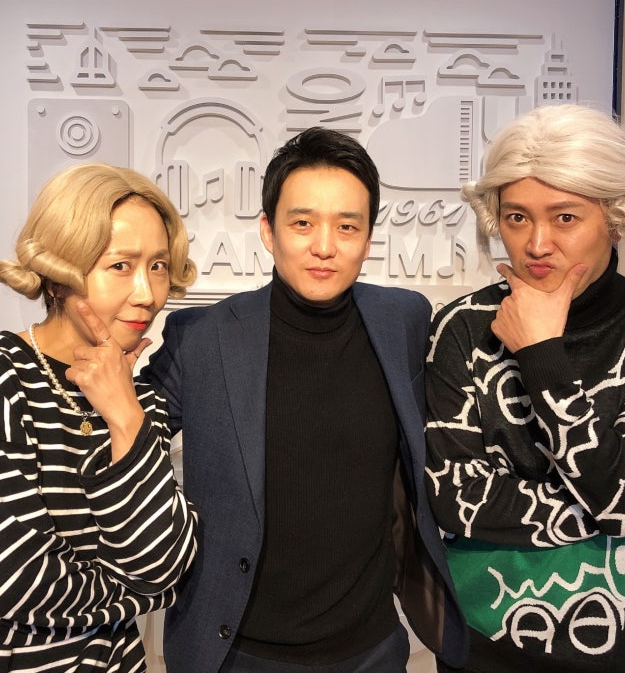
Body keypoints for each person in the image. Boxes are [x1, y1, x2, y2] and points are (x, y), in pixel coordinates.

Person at [137, 126, 467, 671]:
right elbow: (122, 437)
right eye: (303, 223)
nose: (324, 246)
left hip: (370, 650)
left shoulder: (404, 321)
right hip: (234, 652)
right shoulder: (203, 337)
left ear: (368, 237)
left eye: (347, 226)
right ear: (268, 231)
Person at [424, 103, 625, 672]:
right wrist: (624, 510)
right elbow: (456, 500)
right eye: (516, 217)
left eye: (565, 218)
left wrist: (541, 355)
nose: (537, 244)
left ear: (613, 218)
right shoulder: (462, 328)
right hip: (480, 636)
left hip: (618, 638)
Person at [0, 164, 198, 672]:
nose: (147, 293)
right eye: (121, 265)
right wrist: (138, 594)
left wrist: (124, 413)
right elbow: (7, 579)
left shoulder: (142, 401)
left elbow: (163, 563)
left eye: (159, 265)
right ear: (58, 274)